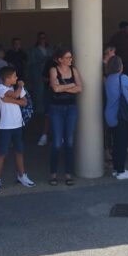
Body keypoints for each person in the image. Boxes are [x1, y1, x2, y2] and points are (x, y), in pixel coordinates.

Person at [0, 66, 36, 194]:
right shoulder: (1, 87)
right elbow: (17, 96)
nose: (17, 78)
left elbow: (24, 102)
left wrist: (8, 100)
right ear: (7, 78)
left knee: (19, 150)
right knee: (2, 153)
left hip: (17, 125)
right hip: (6, 126)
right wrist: (20, 87)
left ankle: (22, 175)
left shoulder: (15, 89)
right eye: (14, 76)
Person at [48, 47, 82, 186]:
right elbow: (55, 88)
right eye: (67, 57)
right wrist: (71, 85)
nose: (70, 59)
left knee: (69, 142)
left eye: (71, 57)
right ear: (60, 59)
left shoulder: (74, 70)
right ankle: (53, 173)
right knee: (57, 143)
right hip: (56, 109)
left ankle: (68, 173)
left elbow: (80, 88)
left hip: (71, 109)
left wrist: (63, 86)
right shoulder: (53, 70)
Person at [104, 55, 128, 180]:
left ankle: (116, 168)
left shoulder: (108, 79)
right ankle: (121, 171)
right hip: (122, 114)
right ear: (120, 66)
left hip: (110, 114)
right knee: (123, 143)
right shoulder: (123, 78)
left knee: (115, 142)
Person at [27, 32, 51, 143]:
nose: (42, 39)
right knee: (38, 94)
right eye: (40, 38)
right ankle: (39, 113)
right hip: (38, 75)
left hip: (49, 75)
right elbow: (31, 63)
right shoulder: (33, 50)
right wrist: (42, 60)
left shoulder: (49, 49)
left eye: (44, 38)